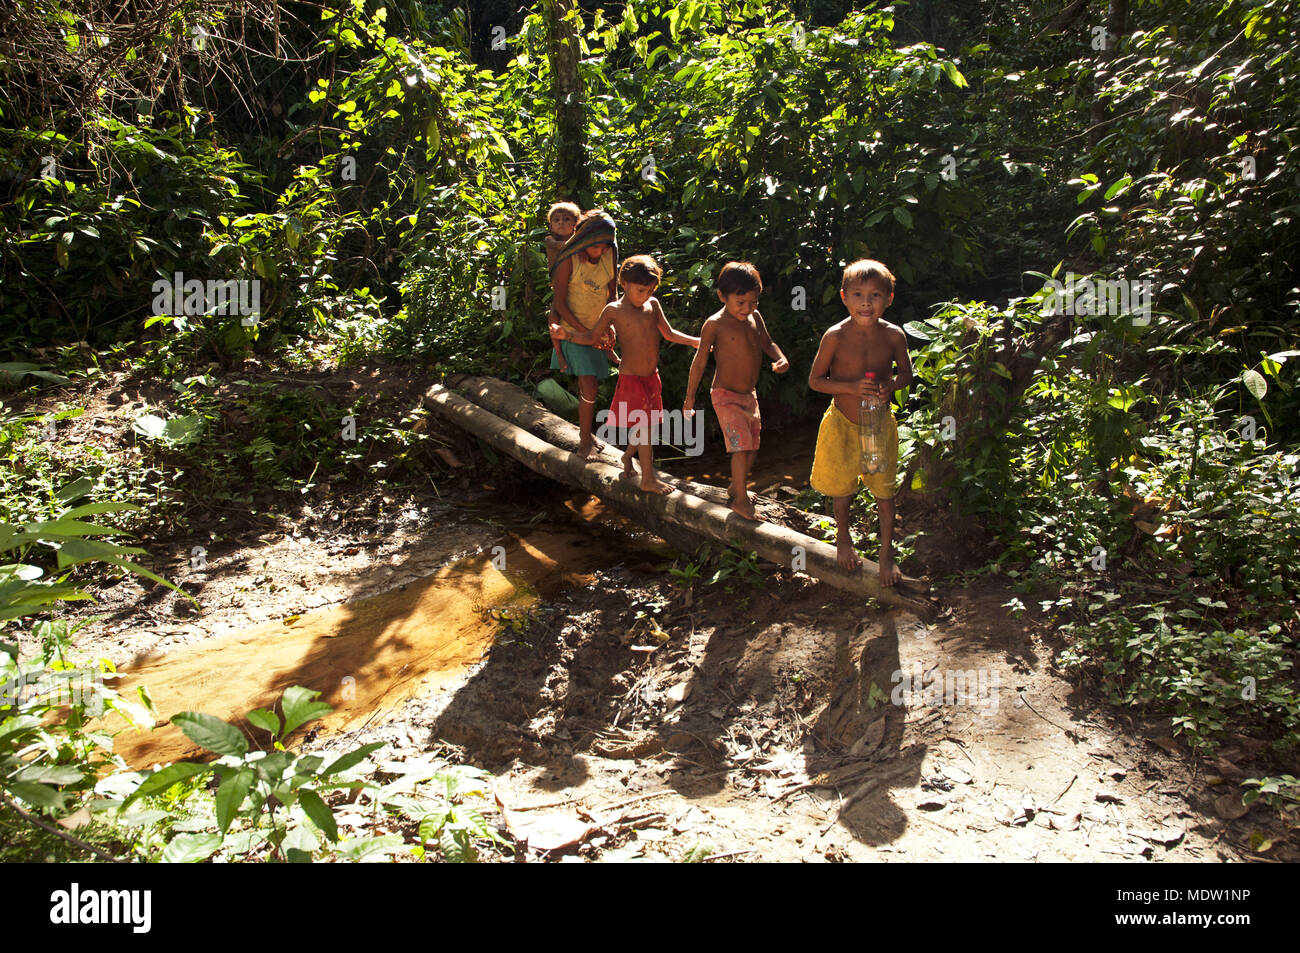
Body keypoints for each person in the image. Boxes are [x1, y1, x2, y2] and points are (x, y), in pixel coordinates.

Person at [807, 259, 913, 586]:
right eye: (858, 295)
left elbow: (906, 374)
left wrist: (889, 386)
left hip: (878, 423)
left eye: (875, 295)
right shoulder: (835, 336)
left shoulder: (894, 336)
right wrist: (851, 388)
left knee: (884, 491)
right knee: (842, 487)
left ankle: (885, 555)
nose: (866, 303)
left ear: (889, 298)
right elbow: (815, 380)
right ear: (844, 297)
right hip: (842, 422)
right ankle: (842, 538)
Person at [560, 255, 700, 492]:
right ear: (624, 283)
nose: (645, 295)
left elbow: (669, 333)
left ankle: (627, 458)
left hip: (651, 377)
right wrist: (567, 336)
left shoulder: (653, 305)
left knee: (649, 426)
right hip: (631, 378)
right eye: (640, 290)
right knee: (644, 427)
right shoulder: (613, 310)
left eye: (649, 290)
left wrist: (695, 341)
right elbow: (592, 338)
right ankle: (648, 479)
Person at [682, 262, 789, 520]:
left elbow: (767, 342)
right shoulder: (715, 324)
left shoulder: (755, 317)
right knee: (740, 447)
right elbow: (699, 362)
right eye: (740, 302)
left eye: (753, 302)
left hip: (748, 395)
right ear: (722, 296)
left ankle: (734, 486)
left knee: (752, 447)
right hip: (725, 394)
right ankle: (740, 500)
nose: (747, 309)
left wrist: (780, 357)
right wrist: (689, 397)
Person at [548, 210, 619, 458]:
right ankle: (583, 442)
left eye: (604, 244)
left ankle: (587, 433)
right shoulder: (568, 260)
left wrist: (609, 327)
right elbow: (559, 305)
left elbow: (613, 297)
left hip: (596, 331)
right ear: (584, 239)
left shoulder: (610, 256)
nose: (599, 249)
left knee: (591, 386)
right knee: (588, 385)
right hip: (571, 330)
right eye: (595, 244)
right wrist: (585, 332)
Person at [543, 201, 581, 371]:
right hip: (558, 283)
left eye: (566, 220)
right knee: (554, 315)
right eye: (556, 220)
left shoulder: (578, 240)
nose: (561, 223)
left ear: (574, 224)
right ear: (551, 225)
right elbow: (563, 247)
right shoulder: (550, 239)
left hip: (575, 283)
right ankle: (558, 352)